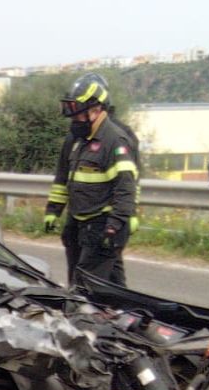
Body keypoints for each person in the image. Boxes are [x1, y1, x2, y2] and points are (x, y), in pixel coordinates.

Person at [43, 73, 138, 287]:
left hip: (103, 224)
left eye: (78, 115)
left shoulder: (115, 140)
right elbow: (65, 178)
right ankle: (122, 315)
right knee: (112, 287)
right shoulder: (79, 139)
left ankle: (79, 319)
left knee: (84, 287)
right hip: (80, 221)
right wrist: (54, 210)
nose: (75, 121)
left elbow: (126, 187)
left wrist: (117, 223)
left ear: (96, 110)